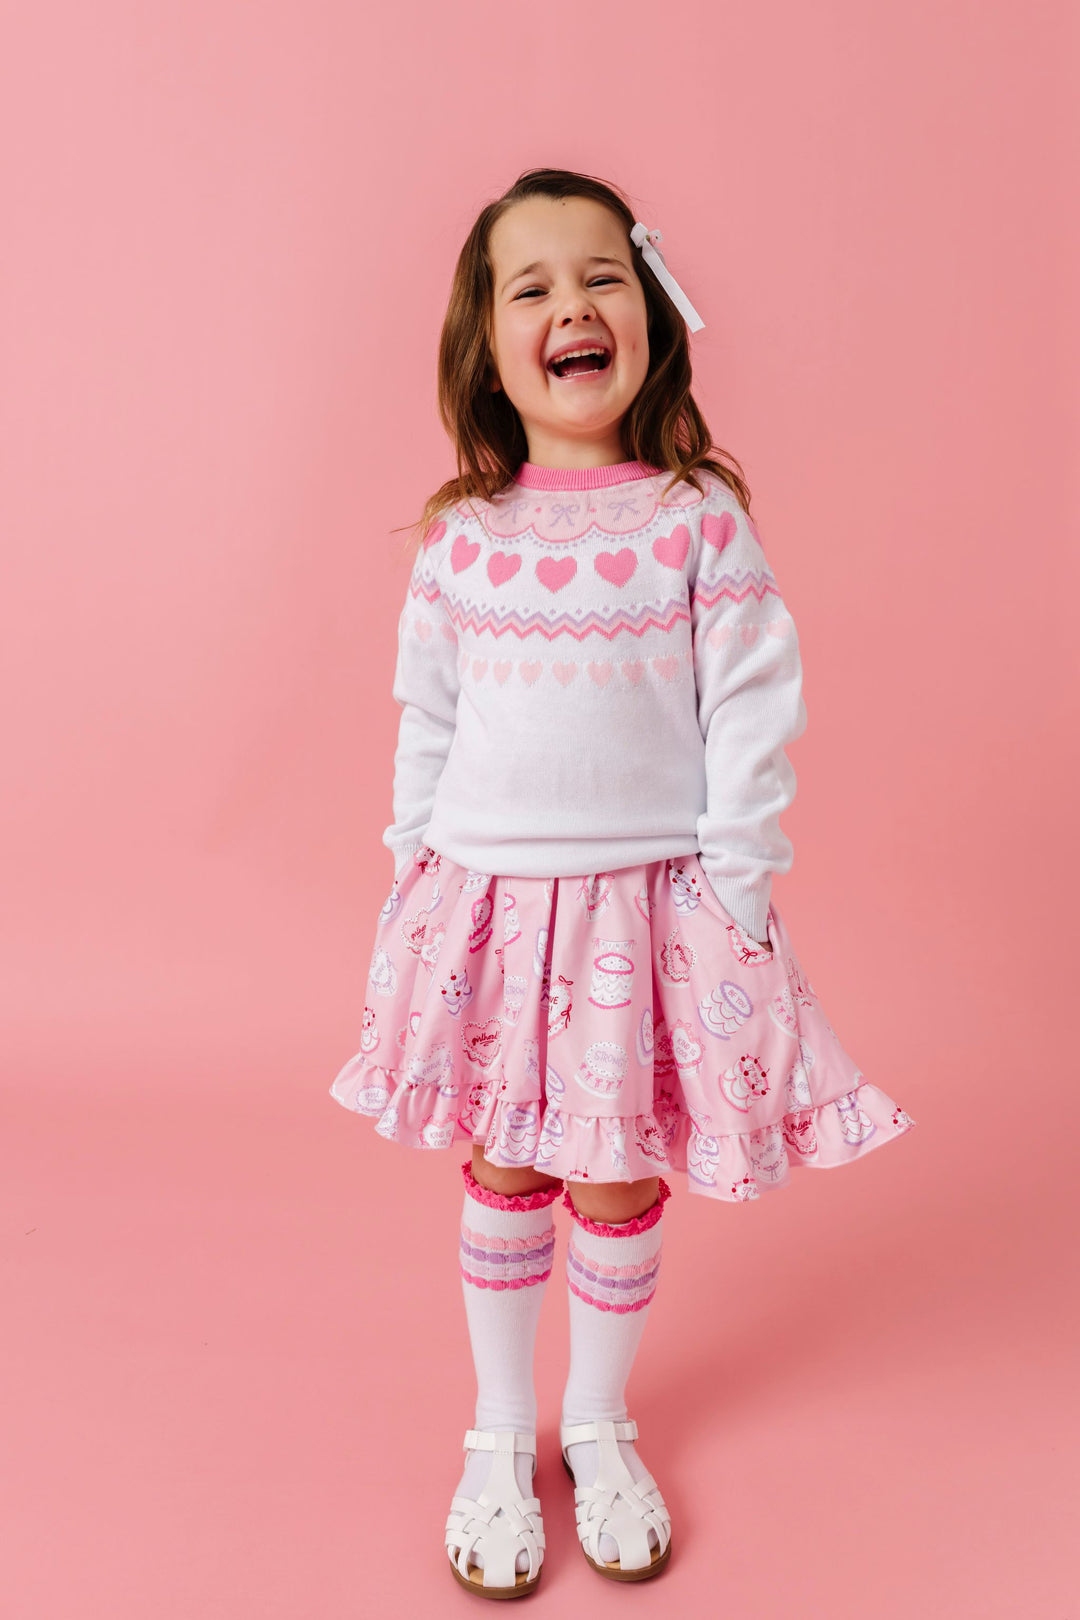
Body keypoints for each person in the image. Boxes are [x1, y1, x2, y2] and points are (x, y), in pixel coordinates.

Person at [329, 166, 917, 1597]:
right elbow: (429, 717)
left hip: (643, 910)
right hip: (490, 906)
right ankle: (499, 1429)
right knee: (506, 1162)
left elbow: (752, 707)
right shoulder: (463, 535)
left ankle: (596, 1419)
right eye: (530, 287)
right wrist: (412, 869)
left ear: (650, 310)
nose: (572, 306)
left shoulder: (695, 518)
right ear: (487, 349)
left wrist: (738, 885)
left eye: (601, 276)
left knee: (611, 1167)